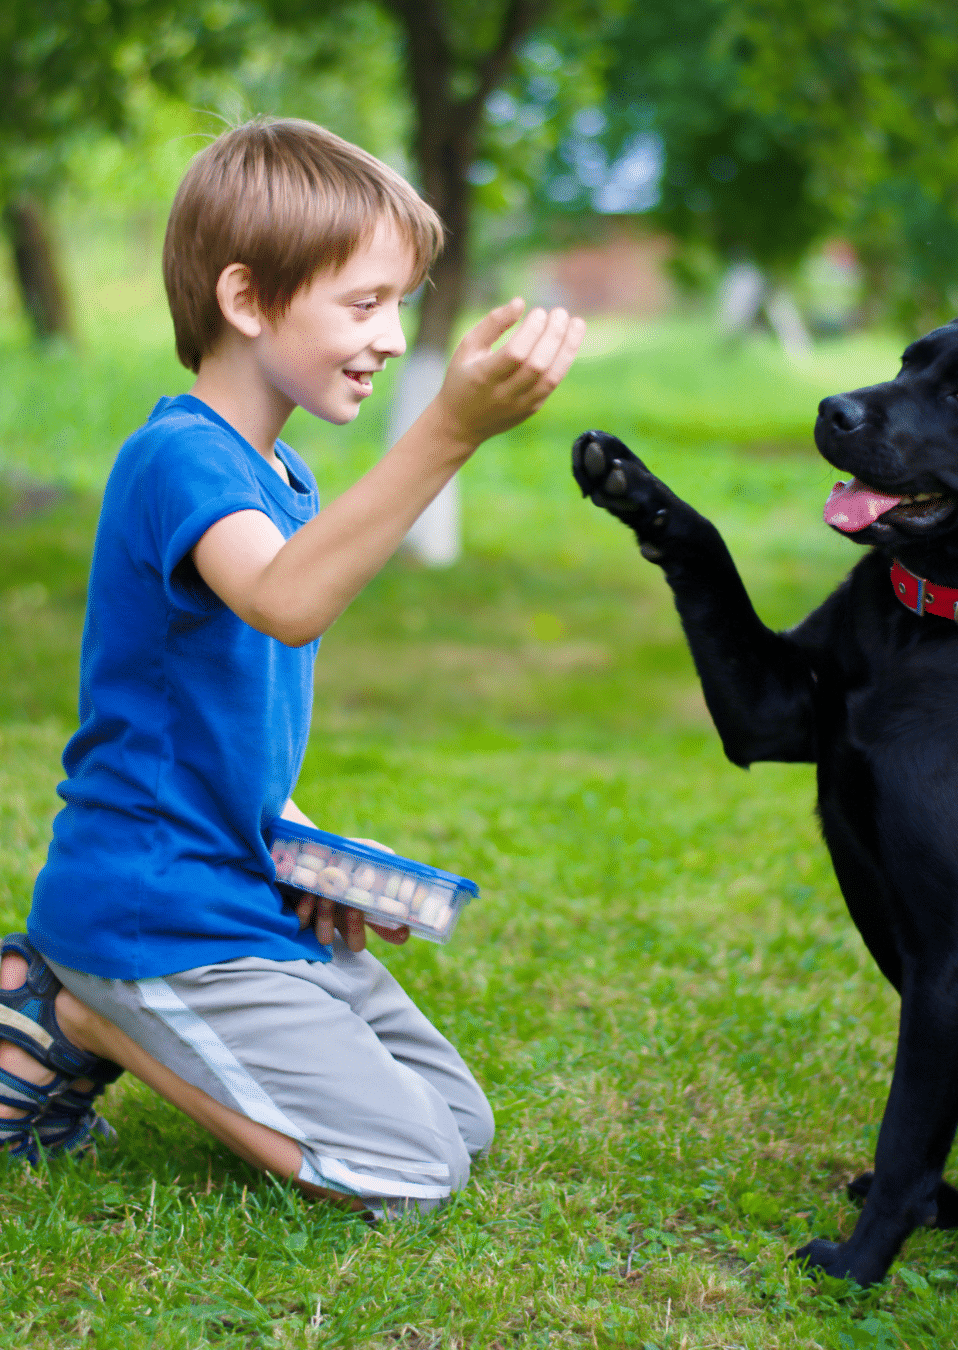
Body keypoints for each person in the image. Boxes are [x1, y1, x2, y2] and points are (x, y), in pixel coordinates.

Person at [0, 117, 584, 1213]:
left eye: (400, 305)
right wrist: (449, 432)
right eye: (364, 304)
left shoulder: (282, 476)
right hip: (156, 912)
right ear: (247, 299)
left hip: (236, 889)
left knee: (461, 1124)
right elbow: (285, 601)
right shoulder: (177, 458)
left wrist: (309, 851)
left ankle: (103, 1006)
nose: (390, 337)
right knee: (413, 1172)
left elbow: (218, 719)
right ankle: (79, 1013)